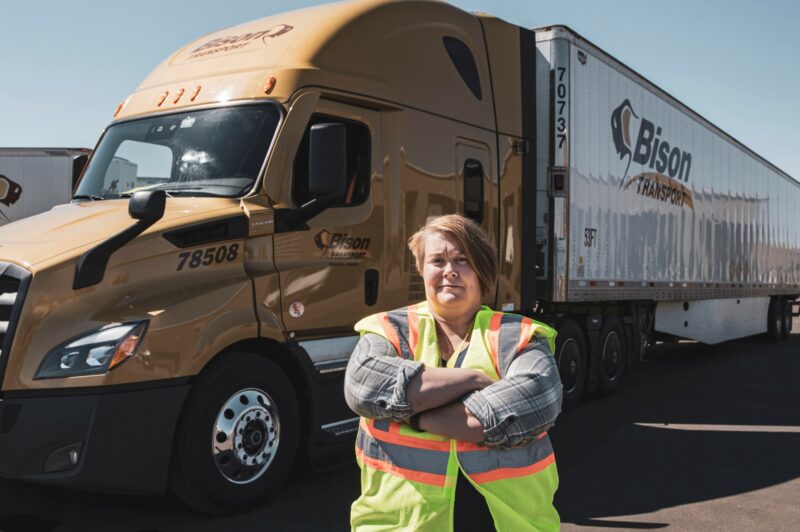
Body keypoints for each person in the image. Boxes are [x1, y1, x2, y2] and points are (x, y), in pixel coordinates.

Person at [344, 214, 563, 531]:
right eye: (437, 260)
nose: (449, 270)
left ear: (482, 270)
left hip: (511, 523)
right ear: (421, 269)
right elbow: (363, 387)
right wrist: (473, 380)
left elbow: (531, 406)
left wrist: (415, 414)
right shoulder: (388, 330)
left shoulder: (521, 336)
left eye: (463, 260)